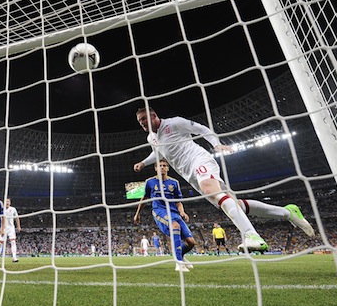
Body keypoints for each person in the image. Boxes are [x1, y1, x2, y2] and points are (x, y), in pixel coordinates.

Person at [133, 107, 314, 252]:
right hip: (189, 175)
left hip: (199, 161)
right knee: (236, 205)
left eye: (144, 119)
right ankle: (288, 213)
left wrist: (216, 144)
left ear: (154, 115)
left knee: (211, 190)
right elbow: (158, 151)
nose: (142, 123)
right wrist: (144, 162)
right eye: (140, 121)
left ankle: (252, 235)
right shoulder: (151, 137)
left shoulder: (175, 123)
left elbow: (201, 129)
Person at [134, 160, 196, 272]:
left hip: (174, 213)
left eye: (165, 166)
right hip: (159, 211)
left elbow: (178, 201)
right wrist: (137, 214)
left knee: (191, 242)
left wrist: (182, 212)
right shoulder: (150, 182)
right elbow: (144, 199)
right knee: (175, 226)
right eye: (160, 166)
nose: (162, 167)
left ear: (168, 168)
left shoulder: (174, 183)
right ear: (156, 168)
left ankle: (180, 256)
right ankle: (179, 263)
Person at [0, 198, 21, 262]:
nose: (7, 202)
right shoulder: (1, 209)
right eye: (6, 201)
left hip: (11, 228)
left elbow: (17, 218)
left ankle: (14, 257)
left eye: (8, 201)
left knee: (13, 242)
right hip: (3, 228)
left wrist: (18, 226)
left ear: (10, 203)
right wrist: (0, 228)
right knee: (0, 243)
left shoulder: (13, 209)